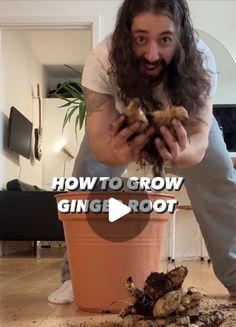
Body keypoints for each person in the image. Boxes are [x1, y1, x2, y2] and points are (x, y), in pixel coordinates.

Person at [48, 0, 236, 304]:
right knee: (86, 181)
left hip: (185, 125)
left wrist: (184, 154)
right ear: (126, 36)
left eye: (164, 39)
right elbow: (98, 141)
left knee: (221, 180)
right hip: (122, 120)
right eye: (140, 39)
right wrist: (117, 154)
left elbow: (200, 137)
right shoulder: (102, 60)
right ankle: (76, 279)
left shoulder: (201, 58)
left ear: (181, 37)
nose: (152, 54)